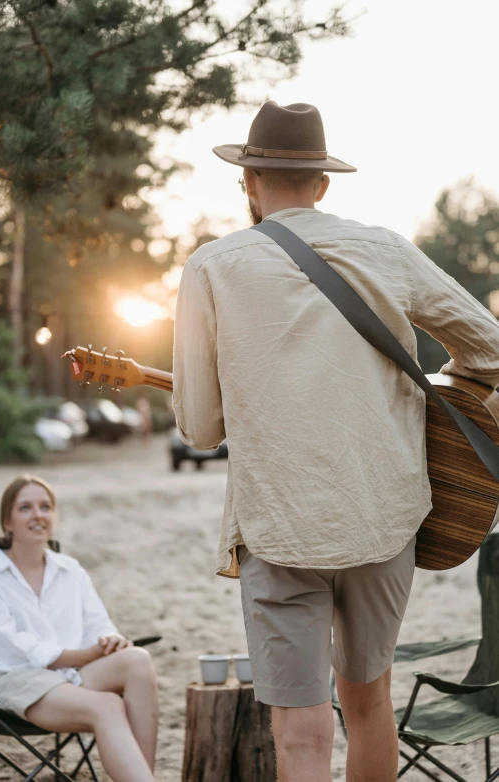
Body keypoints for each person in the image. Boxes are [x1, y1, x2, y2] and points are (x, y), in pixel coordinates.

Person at [172, 101, 499, 782]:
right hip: (386, 515)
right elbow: (490, 351)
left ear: (249, 184)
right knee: (368, 698)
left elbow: (200, 428)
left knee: (299, 726)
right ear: (322, 184)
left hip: (280, 526)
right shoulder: (384, 249)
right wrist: (442, 398)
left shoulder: (211, 267)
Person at [0, 475, 159, 782]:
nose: (38, 515)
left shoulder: (70, 569)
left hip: (66, 676)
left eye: (45, 507)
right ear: (7, 521)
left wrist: (110, 641)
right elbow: (15, 648)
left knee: (137, 659)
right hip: (11, 679)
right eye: (25, 508)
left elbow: (97, 623)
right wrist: (86, 654)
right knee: (107, 706)